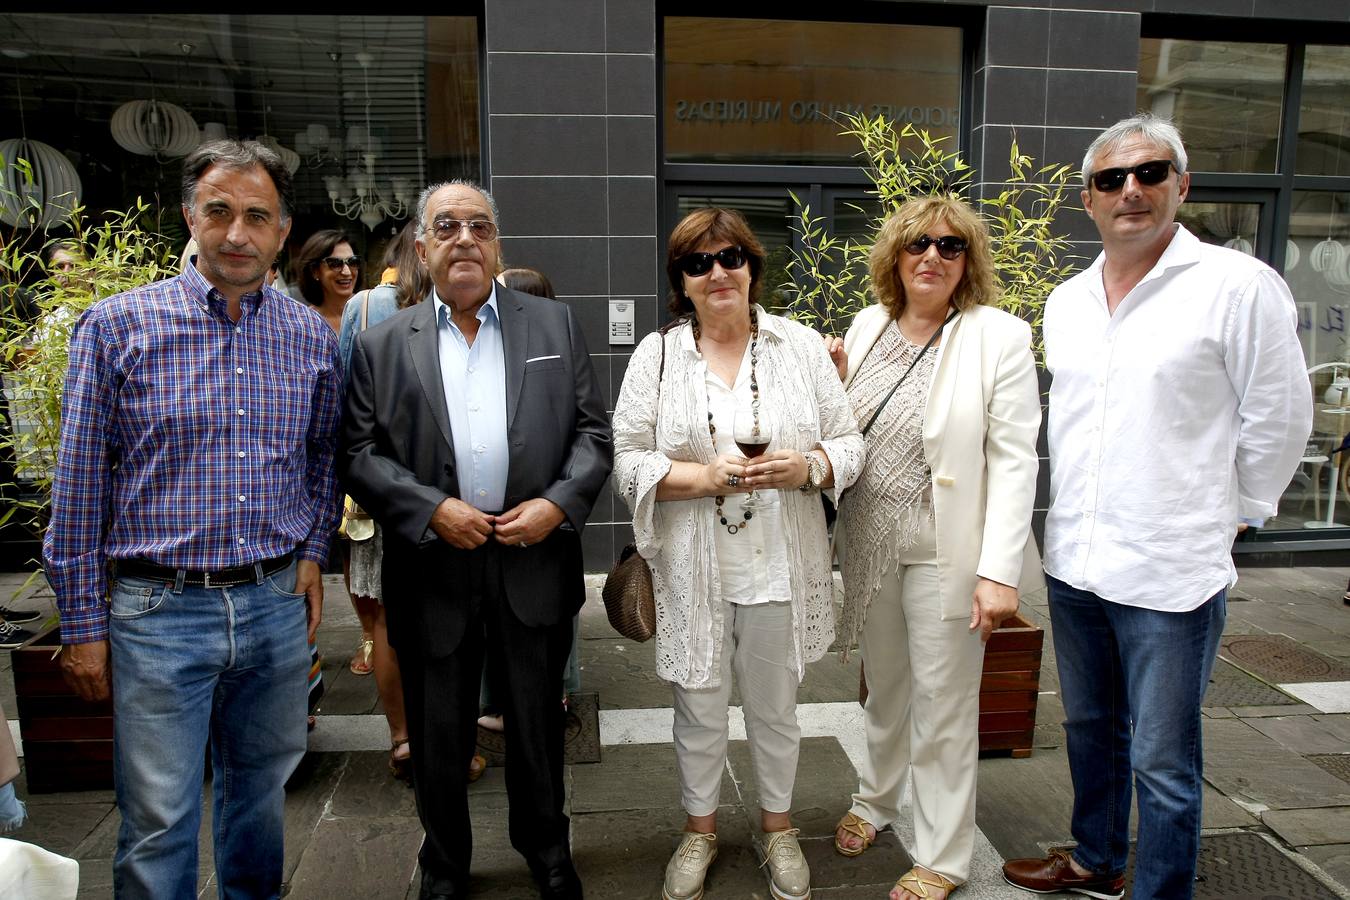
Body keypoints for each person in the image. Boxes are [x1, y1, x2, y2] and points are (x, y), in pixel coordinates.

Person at [1001, 114, 1313, 900]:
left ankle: (1161, 889)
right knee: (1088, 733)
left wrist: (1237, 510)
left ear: (1182, 183)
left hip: (1171, 569)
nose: (1130, 191)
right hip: (1077, 560)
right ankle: (1098, 861)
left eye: (1148, 172)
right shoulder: (1068, 301)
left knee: (1163, 757)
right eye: (1111, 179)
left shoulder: (1237, 289)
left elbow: (1279, 415)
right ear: (1089, 198)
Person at [43, 139, 341, 898]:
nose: (235, 233)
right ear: (189, 215)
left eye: (255, 216)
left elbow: (320, 459)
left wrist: (310, 553)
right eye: (219, 211)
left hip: (274, 607)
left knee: (259, 797)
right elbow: (78, 488)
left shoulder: (310, 335)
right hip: (157, 610)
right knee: (158, 816)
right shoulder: (116, 328)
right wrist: (81, 625)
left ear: (282, 230)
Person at [340, 180, 611, 900]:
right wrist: (431, 510)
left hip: (533, 557)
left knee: (535, 726)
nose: (465, 238)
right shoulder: (380, 344)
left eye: (480, 227)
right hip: (434, 565)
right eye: (447, 226)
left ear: (497, 244)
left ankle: (547, 851)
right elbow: (360, 453)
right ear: (422, 247)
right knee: (439, 733)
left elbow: (593, 434)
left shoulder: (552, 325)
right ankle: (445, 863)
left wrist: (557, 506)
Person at [611, 207, 864, 900]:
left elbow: (848, 443)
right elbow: (627, 459)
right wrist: (699, 479)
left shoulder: (799, 346)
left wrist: (807, 468)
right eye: (699, 263)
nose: (717, 272)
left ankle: (779, 830)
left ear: (753, 267)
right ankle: (700, 831)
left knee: (776, 708)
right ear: (682, 281)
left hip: (780, 562)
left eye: (731, 258)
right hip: (696, 569)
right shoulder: (658, 355)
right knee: (696, 708)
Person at [827, 196, 1042, 900]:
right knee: (884, 689)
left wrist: (998, 572)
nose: (933, 256)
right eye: (919, 243)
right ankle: (876, 799)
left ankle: (945, 855)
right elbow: (840, 428)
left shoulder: (999, 337)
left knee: (946, 705)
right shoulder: (865, 327)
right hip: (869, 544)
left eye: (951, 247)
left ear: (967, 262)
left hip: (945, 550)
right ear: (896, 254)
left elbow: (1015, 461)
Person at [336, 219, 424, 781]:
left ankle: (402, 738)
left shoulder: (365, 306)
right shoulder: (462, 301)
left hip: (380, 492)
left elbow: (345, 404)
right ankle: (452, 738)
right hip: (449, 493)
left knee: (389, 621)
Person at [295, 228, 362, 334]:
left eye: (352, 262)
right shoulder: (304, 324)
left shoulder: (371, 312)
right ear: (314, 271)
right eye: (335, 263)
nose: (346, 272)